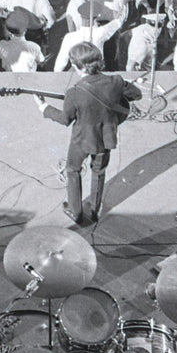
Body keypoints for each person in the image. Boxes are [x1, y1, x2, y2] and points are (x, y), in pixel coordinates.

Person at [37, 42, 142, 226]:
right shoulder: (116, 81)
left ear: (76, 66)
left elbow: (65, 119)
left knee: (72, 170)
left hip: (82, 140)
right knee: (98, 172)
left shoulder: (74, 92)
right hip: (106, 138)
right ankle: (94, 211)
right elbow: (136, 94)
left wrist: (44, 107)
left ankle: (76, 212)